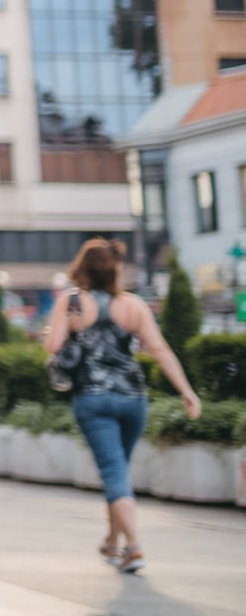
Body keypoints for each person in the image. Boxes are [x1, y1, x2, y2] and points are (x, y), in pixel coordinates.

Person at [45, 238, 201, 575]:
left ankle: (133, 546)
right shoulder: (134, 305)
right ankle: (111, 541)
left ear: (81, 267)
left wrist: (71, 330)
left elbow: (53, 345)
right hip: (133, 398)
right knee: (119, 472)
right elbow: (160, 350)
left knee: (114, 473)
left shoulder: (71, 302)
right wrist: (187, 391)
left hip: (93, 398)